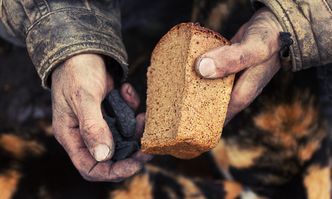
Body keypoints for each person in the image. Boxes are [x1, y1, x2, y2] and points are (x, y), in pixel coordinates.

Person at [0, 0, 331, 182]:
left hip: (298, 66)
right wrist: (72, 42)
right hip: (121, 24)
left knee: (278, 163)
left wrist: (297, 17)